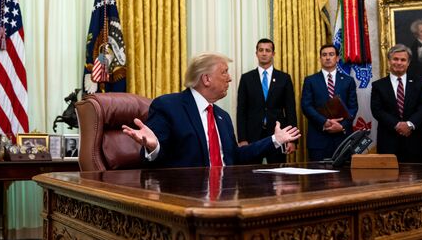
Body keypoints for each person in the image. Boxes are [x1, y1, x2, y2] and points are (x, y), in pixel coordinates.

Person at [122, 52, 301, 167]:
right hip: (189, 200)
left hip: (227, 195)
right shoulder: (168, 106)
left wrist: (274, 140)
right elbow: (154, 163)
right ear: (206, 79)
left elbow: (235, 156)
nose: (230, 79)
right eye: (224, 72)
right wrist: (154, 147)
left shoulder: (223, 117)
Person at [236, 38, 297, 163]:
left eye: (268, 50)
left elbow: (290, 110)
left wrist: (292, 139)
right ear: (256, 53)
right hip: (252, 135)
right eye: (261, 50)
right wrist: (242, 139)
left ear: (273, 54)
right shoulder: (246, 78)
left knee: (277, 176)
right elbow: (241, 111)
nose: (264, 53)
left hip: (277, 134)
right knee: (251, 175)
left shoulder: (284, 78)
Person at [371, 44, 422, 162]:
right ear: (389, 61)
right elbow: (377, 110)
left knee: (420, 179)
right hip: (388, 142)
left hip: (415, 141)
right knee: (389, 179)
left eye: (403, 60)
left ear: (408, 63)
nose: (399, 63)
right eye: (395, 59)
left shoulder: (419, 83)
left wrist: (409, 124)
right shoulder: (378, 85)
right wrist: (398, 125)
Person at [300, 44, 358, 161]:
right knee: (318, 177)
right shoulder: (310, 80)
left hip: (343, 138)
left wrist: (341, 126)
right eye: (324, 55)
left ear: (337, 58)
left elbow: (353, 108)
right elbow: (306, 106)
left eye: (331, 55)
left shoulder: (348, 81)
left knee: (344, 177)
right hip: (318, 139)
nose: (327, 58)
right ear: (320, 58)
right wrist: (325, 122)